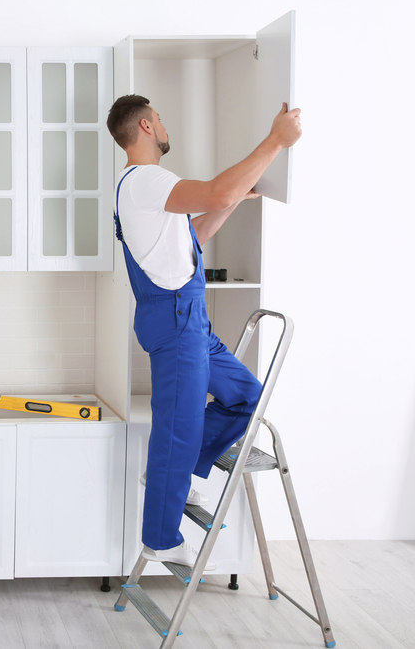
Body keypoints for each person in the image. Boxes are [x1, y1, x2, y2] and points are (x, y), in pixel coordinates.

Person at [105, 94, 302, 568]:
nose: (166, 126)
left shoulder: (142, 189)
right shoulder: (148, 180)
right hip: (176, 322)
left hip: (187, 320)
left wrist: (234, 200)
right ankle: (161, 538)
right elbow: (214, 190)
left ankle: (176, 469)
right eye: (162, 119)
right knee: (176, 429)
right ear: (148, 126)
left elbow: (195, 234)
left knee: (246, 397)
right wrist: (276, 140)